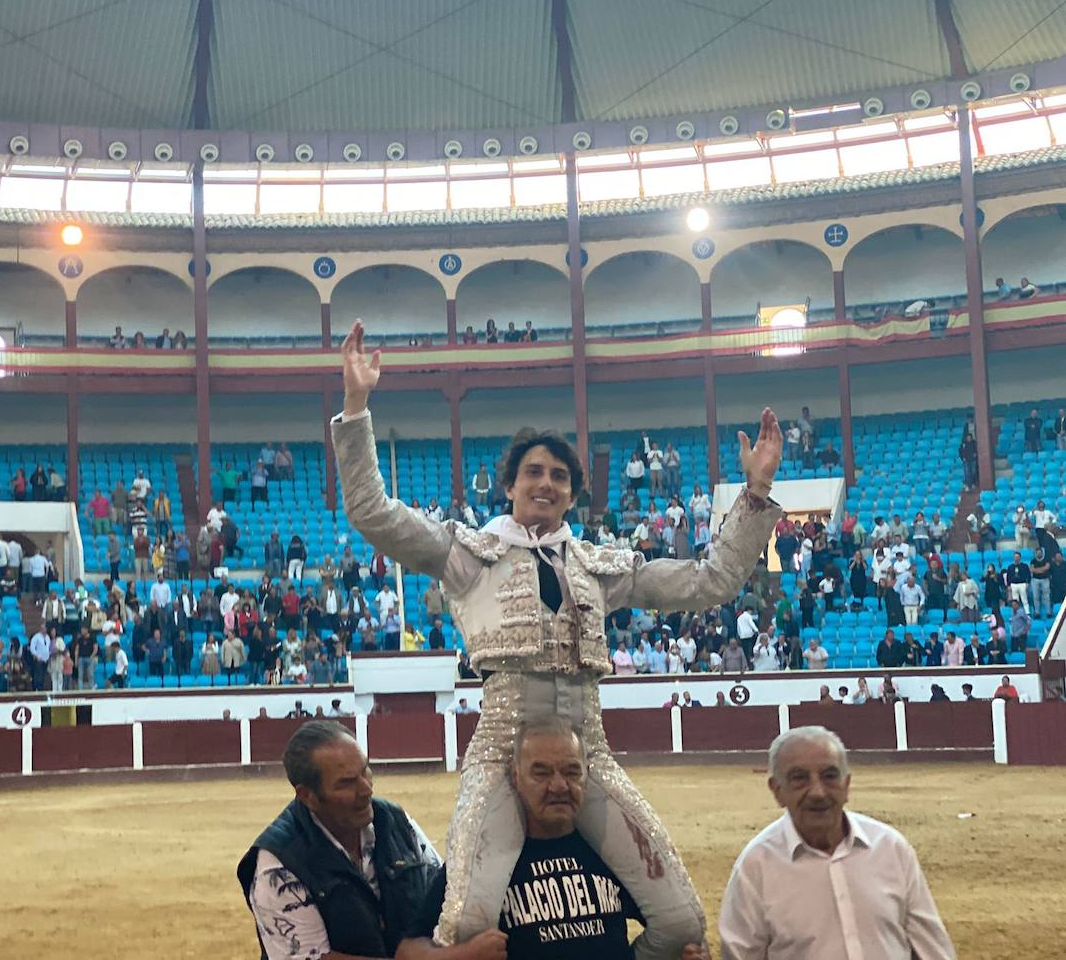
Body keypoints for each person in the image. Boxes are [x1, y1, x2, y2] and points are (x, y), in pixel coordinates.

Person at [332, 319, 781, 953]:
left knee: (681, 923)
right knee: (466, 925)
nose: (546, 484)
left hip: (586, 752)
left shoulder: (602, 567)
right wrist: (356, 407)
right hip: (499, 751)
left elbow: (711, 581)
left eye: (559, 477)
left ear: (572, 493)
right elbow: (373, 513)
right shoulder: (469, 555)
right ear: (509, 485)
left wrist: (756, 488)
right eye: (534, 473)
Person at [399, 714, 702, 960]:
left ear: (587, 774)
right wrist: (461, 955)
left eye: (571, 772)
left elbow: (668, 928)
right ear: (515, 777)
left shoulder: (614, 852)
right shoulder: (481, 860)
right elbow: (407, 951)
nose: (559, 785)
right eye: (541, 773)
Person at [718, 727, 954, 959]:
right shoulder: (755, 867)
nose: (818, 792)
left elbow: (933, 951)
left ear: (847, 784)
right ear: (777, 791)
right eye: (799, 778)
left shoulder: (891, 849)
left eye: (829, 776)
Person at [238, 721, 441, 959]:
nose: (366, 790)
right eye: (346, 783)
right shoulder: (278, 865)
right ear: (307, 795)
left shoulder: (395, 821)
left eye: (365, 771)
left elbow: (442, 892)